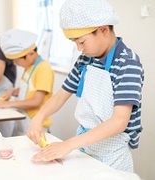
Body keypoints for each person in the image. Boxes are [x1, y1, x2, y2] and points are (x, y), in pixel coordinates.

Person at [27, 0, 144, 172]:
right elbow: (60, 96)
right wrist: (39, 117)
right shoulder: (85, 60)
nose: (79, 49)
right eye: (74, 43)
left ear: (103, 29)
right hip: (86, 147)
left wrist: (67, 145)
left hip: (112, 155)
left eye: (81, 42)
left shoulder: (127, 63)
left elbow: (119, 121)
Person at [0, 29, 54, 136]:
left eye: (17, 61)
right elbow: (29, 89)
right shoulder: (29, 66)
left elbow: (36, 101)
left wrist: (8, 104)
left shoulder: (44, 69)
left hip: (36, 123)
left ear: (31, 54)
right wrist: (12, 92)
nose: (15, 64)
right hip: (24, 119)